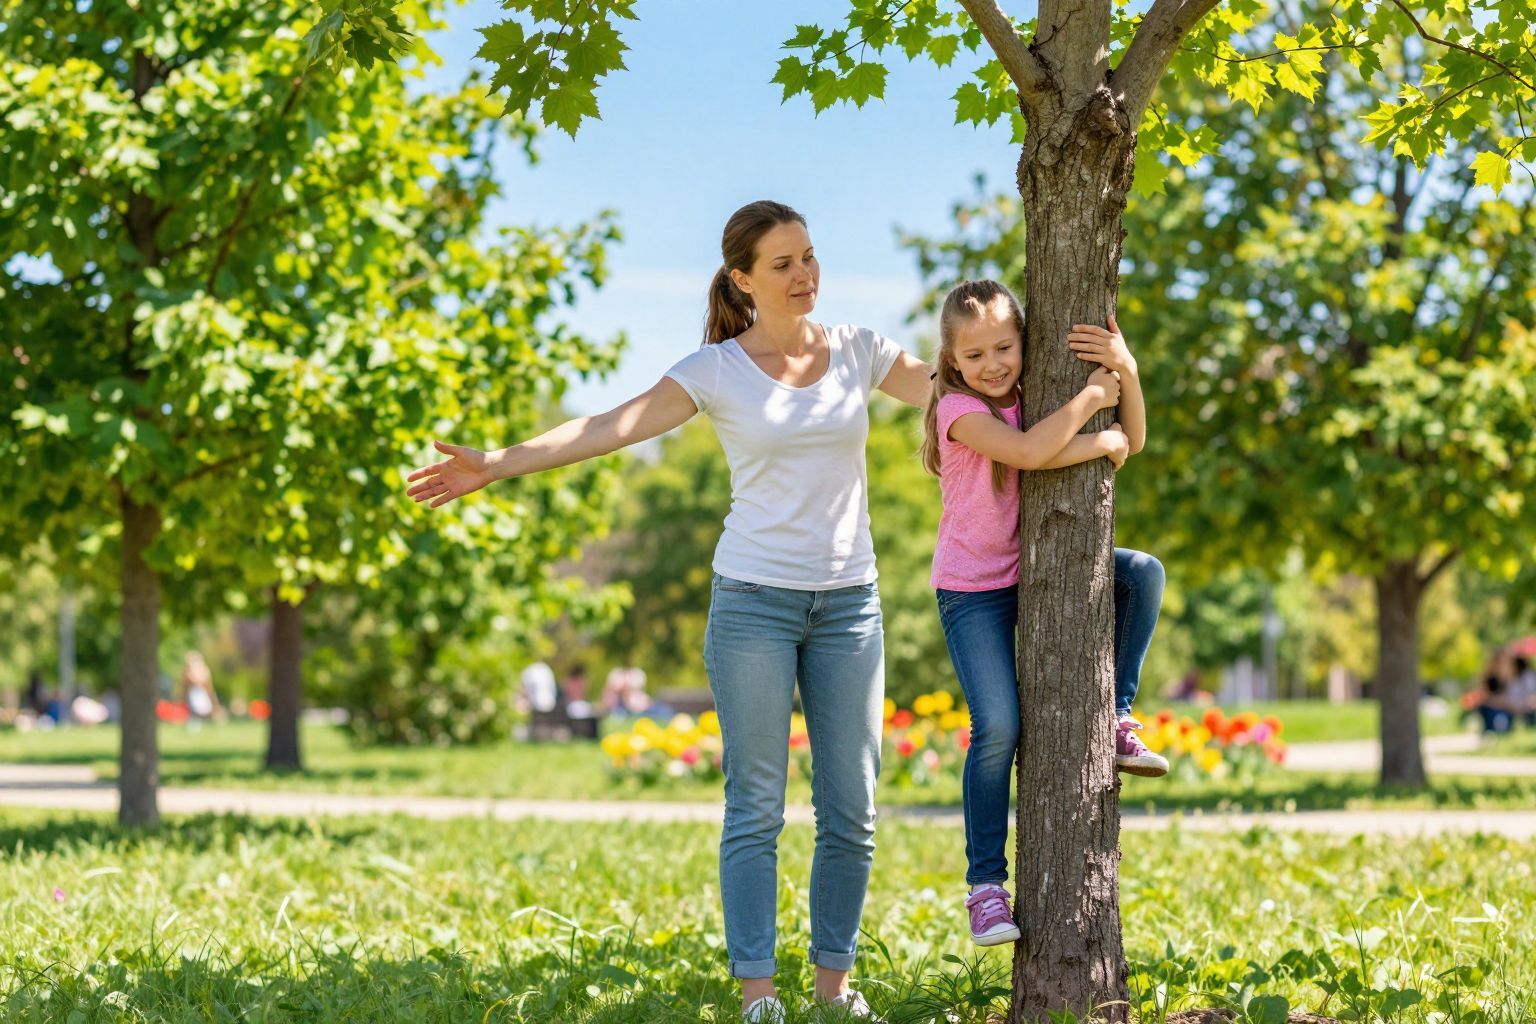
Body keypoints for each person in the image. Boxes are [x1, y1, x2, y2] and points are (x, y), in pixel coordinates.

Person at [407, 200, 940, 1022]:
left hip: (849, 607)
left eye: (809, 257)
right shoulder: (716, 370)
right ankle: (759, 994)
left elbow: (966, 386)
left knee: (852, 807)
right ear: (742, 279)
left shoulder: (861, 352)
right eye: (783, 264)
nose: (804, 275)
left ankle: (834, 988)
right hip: (753, 604)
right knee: (756, 804)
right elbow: (609, 426)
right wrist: (498, 463)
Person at [918, 279, 1168, 946]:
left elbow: (1133, 438)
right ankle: (986, 889)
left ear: (1025, 342)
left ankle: (1117, 717)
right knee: (998, 725)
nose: (994, 363)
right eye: (976, 355)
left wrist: (1127, 370)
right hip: (973, 590)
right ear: (951, 362)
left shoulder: (1033, 398)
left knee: (1142, 574)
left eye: (1005, 345)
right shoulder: (955, 411)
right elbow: (1032, 455)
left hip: (1038, 570)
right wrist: (1092, 411)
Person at [180, 651, 221, 723]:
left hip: (201, 691)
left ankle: (207, 720)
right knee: (195, 708)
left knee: (204, 708)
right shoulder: (188, 671)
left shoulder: (203, 669)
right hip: (193, 691)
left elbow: (206, 681)